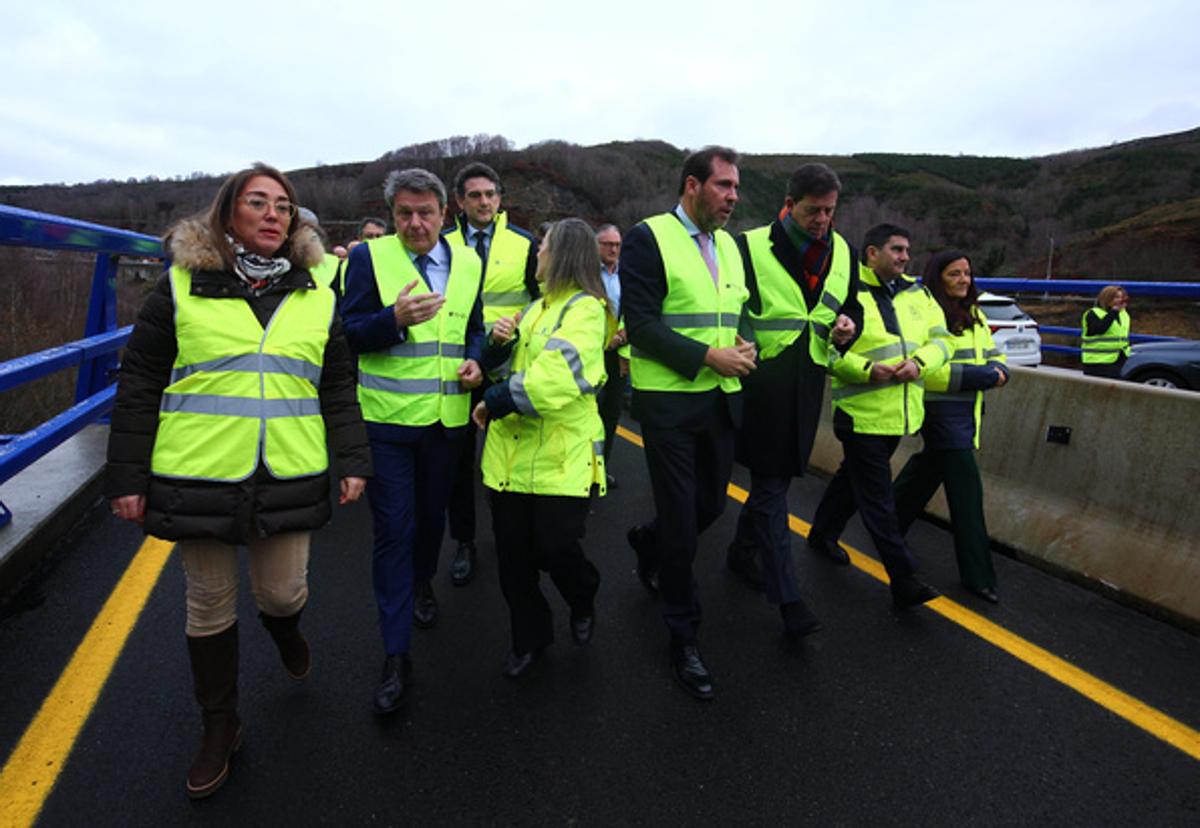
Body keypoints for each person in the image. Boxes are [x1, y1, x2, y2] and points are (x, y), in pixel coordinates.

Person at [106, 163, 370, 798]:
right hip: (199, 470)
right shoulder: (179, 287)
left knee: (282, 593)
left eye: (285, 205)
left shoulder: (317, 294)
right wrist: (127, 475)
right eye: (259, 203)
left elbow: (335, 384)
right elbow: (140, 382)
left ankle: (285, 629)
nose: (275, 214)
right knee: (208, 603)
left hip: (289, 467)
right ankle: (219, 724)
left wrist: (354, 459)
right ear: (229, 216)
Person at [340, 168, 485, 715]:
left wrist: (476, 359)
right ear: (393, 214)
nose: (415, 223)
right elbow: (348, 332)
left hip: (447, 423)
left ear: (445, 215)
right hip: (387, 422)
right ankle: (395, 652)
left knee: (430, 523)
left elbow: (472, 324)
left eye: (425, 213)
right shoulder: (367, 260)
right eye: (404, 213)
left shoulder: (468, 262)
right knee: (393, 530)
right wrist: (392, 320)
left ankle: (423, 580)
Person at [620, 145, 755, 700]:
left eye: (736, 188)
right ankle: (684, 638)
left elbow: (738, 308)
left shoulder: (729, 245)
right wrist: (706, 356)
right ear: (693, 185)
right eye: (724, 186)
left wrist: (748, 345)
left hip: (720, 398)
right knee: (681, 519)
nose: (733, 197)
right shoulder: (648, 237)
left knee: (711, 506)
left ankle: (646, 542)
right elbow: (643, 324)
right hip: (670, 402)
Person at [725, 163, 861, 638]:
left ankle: (740, 554)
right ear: (789, 204)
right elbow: (730, 306)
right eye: (812, 211)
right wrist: (740, 342)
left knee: (774, 481)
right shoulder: (748, 246)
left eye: (829, 211)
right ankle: (789, 598)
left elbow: (852, 306)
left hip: (807, 383)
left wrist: (848, 327)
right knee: (770, 488)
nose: (822, 220)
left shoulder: (844, 250)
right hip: (760, 382)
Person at [472, 218, 610, 677]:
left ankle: (583, 593)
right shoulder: (533, 311)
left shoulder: (587, 310)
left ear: (563, 253)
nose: (536, 254)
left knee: (556, 548)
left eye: (543, 247)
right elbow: (509, 369)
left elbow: (555, 379)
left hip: (561, 457)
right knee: (514, 562)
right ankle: (529, 639)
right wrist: (493, 348)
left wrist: (493, 402)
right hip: (510, 457)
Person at [806, 224, 952, 608]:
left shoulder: (918, 293)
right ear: (872, 253)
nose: (905, 257)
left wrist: (921, 363)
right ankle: (903, 577)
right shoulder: (846, 293)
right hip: (860, 414)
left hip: (901, 414)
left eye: (907, 250)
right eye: (897, 249)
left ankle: (821, 533)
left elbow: (943, 341)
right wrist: (868, 370)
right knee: (877, 496)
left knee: (851, 480)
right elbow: (825, 350)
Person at [443, 162, 540, 588]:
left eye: (491, 194)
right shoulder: (440, 244)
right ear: (460, 202)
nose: (484, 202)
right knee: (459, 459)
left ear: (500, 199)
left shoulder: (525, 243)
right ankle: (464, 540)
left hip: (508, 367)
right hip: (459, 366)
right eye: (475, 196)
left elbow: (542, 304)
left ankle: (515, 536)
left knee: (513, 454)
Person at [892, 250, 1008, 603]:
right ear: (937, 277)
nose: (963, 280)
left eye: (967, 273)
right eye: (954, 274)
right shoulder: (927, 312)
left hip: (968, 412)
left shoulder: (975, 314)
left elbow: (995, 356)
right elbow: (926, 370)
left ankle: (887, 526)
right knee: (967, 491)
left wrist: (999, 371)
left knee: (926, 471)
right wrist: (983, 376)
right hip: (939, 412)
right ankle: (978, 575)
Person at [595, 223, 627, 485]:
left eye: (617, 244)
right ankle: (583, 468)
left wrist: (624, 333)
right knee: (588, 411)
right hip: (591, 352)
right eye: (607, 244)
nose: (613, 249)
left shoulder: (626, 274)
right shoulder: (585, 275)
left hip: (617, 354)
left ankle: (601, 467)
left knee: (611, 412)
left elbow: (634, 307)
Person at [1081, 285, 1131, 378]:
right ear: (1107, 298)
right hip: (1097, 361)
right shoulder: (1093, 313)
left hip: (1119, 358)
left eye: (1121, 297)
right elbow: (1099, 329)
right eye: (1116, 297)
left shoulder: (1124, 314)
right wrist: (1113, 312)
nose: (1120, 300)